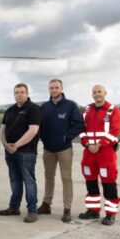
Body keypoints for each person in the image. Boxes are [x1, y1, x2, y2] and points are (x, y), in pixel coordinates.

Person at [38, 79, 84, 223]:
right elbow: (38, 126)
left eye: (56, 87)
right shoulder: (44, 107)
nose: (54, 90)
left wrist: (66, 137)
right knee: (48, 177)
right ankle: (46, 204)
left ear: (61, 88)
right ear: (49, 89)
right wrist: (43, 138)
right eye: (51, 88)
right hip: (48, 149)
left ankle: (67, 208)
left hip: (64, 149)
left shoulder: (70, 105)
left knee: (66, 178)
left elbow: (79, 124)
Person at [78, 85, 120, 225]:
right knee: (90, 182)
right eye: (94, 92)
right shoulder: (86, 110)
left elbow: (115, 131)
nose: (97, 94)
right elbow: (81, 129)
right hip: (89, 153)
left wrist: (99, 145)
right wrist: (87, 144)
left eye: (99, 92)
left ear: (105, 93)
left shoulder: (113, 110)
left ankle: (110, 214)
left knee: (108, 184)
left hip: (106, 153)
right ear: (92, 94)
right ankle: (93, 211)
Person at [0, 83, 42, 223]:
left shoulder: (34, 109)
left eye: (22, 92)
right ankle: (14, 207)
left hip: (26, 152)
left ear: (27, 93)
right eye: (16, 92)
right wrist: (5, 144)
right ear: (14, 94)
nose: (19, 94)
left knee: (28, 180)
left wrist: (16, 145)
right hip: (9, 151)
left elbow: (33, 130)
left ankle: (32, 211)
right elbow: (3, 129)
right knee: (14, 179)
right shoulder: (10, 110)